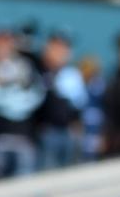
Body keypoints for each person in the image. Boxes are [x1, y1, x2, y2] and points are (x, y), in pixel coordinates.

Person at [0, 29, 45, 179]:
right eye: (0, 40)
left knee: (23, 184)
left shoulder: (25, 65)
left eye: (7, 41)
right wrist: (14, 97)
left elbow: (36, 94)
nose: (3, 45)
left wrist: (6, 95)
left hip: (23, 136)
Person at [36, 32, 86, 170]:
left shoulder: (71, 74)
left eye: (65, 48)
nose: (61, 52)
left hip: (68, 133)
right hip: (46, 133)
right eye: (57, 47)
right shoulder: (38, 69)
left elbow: (78, 106)